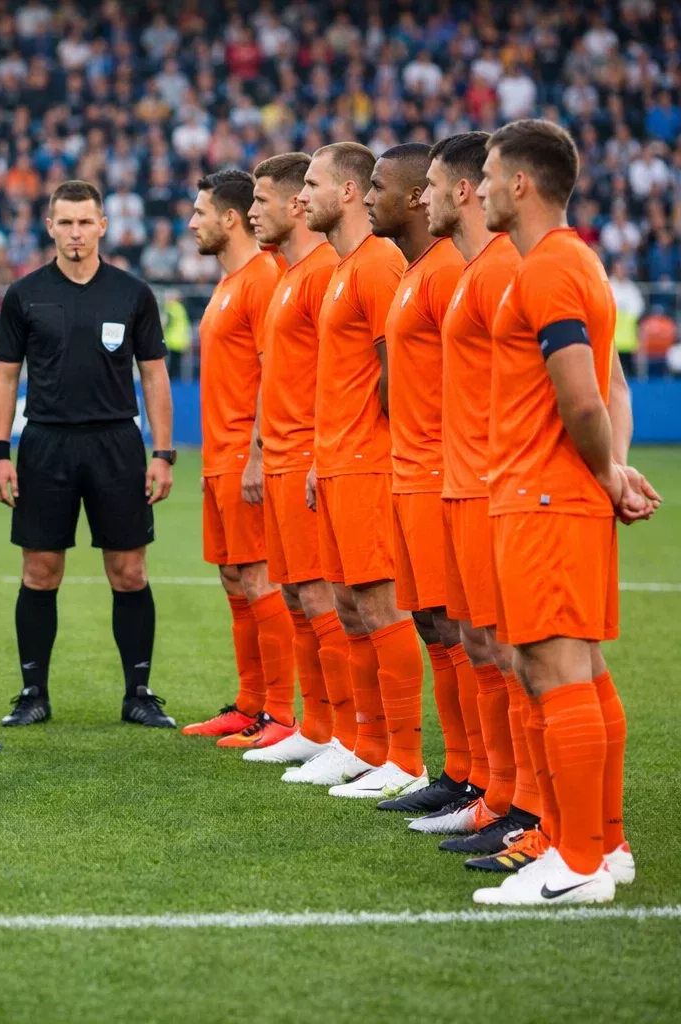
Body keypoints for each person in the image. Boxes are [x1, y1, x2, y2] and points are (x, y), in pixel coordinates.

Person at [472, 118, 658, 905]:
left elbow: (583, 394)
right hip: (558, 493)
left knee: (553, 672)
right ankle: (603, 845)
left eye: (486, 173)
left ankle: (578, 863)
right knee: (579, 670)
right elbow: (611, 387)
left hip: (544, 494)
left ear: (521, 183)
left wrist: (606, 470)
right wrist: (610, 472)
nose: (479, 188)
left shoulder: (548, 268)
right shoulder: (573, 261)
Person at [0, 178, 176, 729]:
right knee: (40, 570)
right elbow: (4, 376)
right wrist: (0, 452)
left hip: (117, 442)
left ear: (103, 225)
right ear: (50, 227)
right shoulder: (25, 294)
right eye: (64, 222)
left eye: (84, 222)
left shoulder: (132, 292)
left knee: (129, 570)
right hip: (45, 442)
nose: (75, 233)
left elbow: (155, 376)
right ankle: (32, 692)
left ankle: (138, 693)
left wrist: (162, 452)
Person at [415, 131, 545, 865]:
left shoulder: (502, 268)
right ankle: (494, 793)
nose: (421, 199)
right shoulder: (474, 268)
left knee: (520, 654)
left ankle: (525, 805)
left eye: (432, 186)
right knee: (479, 642)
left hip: (501, 488)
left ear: (465, 190)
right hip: (465, 485)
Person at [296, 142, 421, 797]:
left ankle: (403, 755)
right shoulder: (346, 266)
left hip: (371, 463)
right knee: (348, 606)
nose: (301, 197)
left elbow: (395, 370)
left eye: (311, 184)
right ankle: (365, 745)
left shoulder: (377, 265)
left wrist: (371, 442)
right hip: (339, 462)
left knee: (379, 605)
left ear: (347, 192)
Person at [364, 143, 468, 805]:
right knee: (434, 622)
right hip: (412, 468)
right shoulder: (415, 271)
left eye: (379, 186)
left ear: (416, 198)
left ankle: (484, 780)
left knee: (463, 631)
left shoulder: (449, 269)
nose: (370, 196)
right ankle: (461, 772)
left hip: (442, 474)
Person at [240, 152, 347, 773]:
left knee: (325, 597)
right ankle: (319, 726)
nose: (252, 211)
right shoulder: (287, 275)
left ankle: (349, 738)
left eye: (261, 200)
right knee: (299, 598)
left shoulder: (326, 270)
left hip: (311, 454)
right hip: (281, 456)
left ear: (294, 206)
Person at [181, 169, 292, 746]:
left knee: (259, 577)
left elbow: (277, 371)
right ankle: (250, 704)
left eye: (200, 213)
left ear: (230, 218)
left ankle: (279, 713)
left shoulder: (262, 278)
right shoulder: (228, 284)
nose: (192, 222)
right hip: (216, 457)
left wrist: (257, 454)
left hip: (245, 456)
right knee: (234, 577)